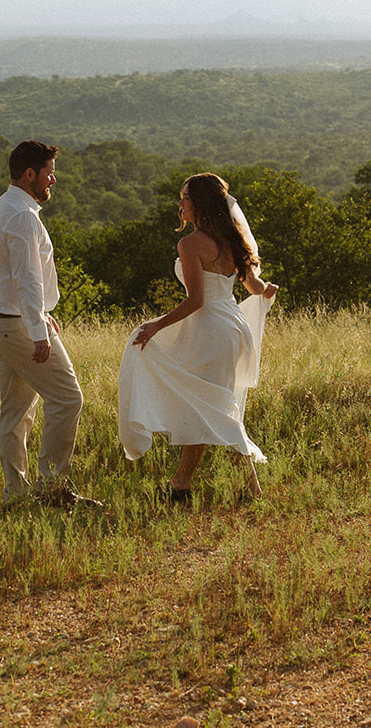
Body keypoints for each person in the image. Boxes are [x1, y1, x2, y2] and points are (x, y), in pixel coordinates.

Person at [118, 173, 278, 502]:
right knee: (204, 404)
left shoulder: (189, 244)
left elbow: (196, 300)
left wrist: (156, 326)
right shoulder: (234, 240)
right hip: (232, 328)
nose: (180, 203)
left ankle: (252, 488)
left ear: (201, 204)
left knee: (217, 408)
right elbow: (255, 287)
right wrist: (268, 291)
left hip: (211, 330)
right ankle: (182, 482)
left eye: (186, 198)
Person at [0, 140, 92, 507]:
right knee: (68, 398)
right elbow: (27, 280)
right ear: (30, 174)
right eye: (49, 173)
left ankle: (16, 495)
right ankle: (52, 490)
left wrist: (41, 314)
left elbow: (13, 279)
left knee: (15, 411)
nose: (53, 180)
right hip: (18, 326)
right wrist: (39, 331)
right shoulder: (22, 215)